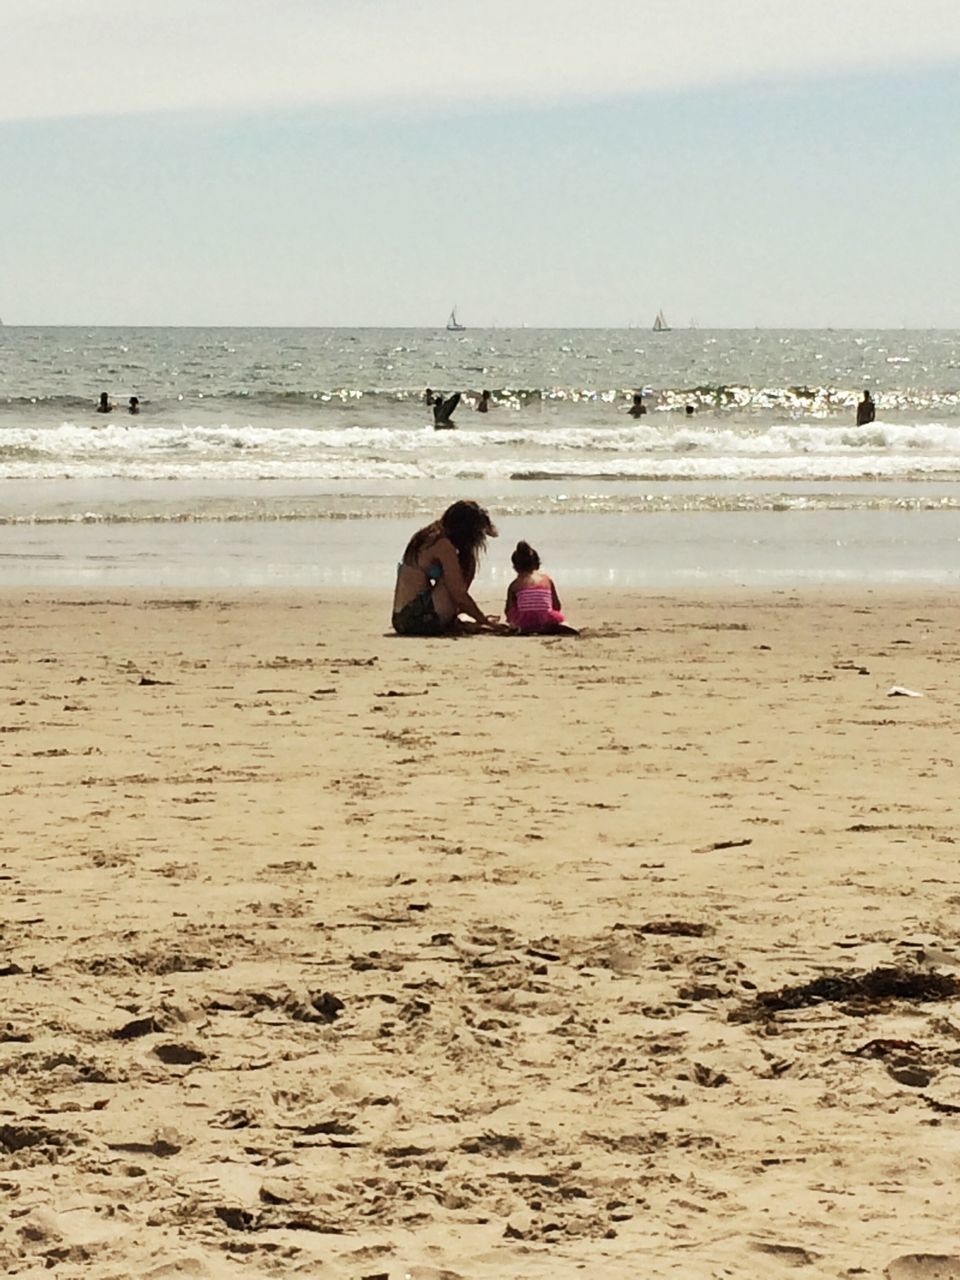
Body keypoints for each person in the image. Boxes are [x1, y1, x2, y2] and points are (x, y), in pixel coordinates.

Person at [392, 500, 502, 635]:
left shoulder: (428, 535)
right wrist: (484, 620)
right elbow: (458, 593)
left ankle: (454, 619)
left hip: (401, 617)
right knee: (464, 568)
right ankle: (453, 620)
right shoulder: (443, 545)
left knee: (461, 567)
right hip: (416, 619)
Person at [504, 541, 577, 635]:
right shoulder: (547, 579)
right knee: (555, 617)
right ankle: (557, 624)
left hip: (524, 621)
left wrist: (511, 618)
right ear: (537, 563)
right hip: (546, 618)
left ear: (515, 567)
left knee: (514, 610)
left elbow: (508, 609)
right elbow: (557, 605)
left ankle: (517, 627)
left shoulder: (514, 585)